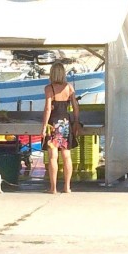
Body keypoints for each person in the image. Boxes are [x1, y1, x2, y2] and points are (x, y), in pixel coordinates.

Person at [40, 63, 80, 194]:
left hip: (53, 123)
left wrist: (44, 125)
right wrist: (76, 121)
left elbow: (47, 108)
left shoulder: (49, 88)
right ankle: (67, 187)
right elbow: (75, 107)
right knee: (67, 156)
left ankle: (53, 188)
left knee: (53, 157)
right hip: (65, 122)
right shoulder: (69, 88)